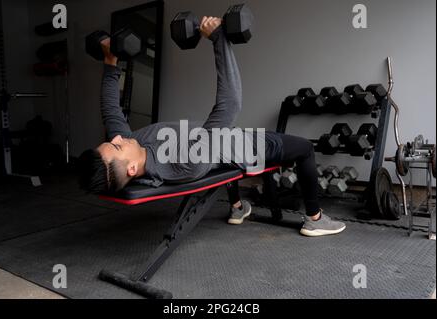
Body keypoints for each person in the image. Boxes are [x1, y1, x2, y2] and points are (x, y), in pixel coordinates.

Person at [78, 17, 346, 237]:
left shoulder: (130, 146)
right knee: (303, 149)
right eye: (115, 145)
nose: (117, 137)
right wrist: (220, 39)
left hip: (221, 143)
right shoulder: (184, 162)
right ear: (132, 169)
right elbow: (230, 105)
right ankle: (315, 218)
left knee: (215, 142)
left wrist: (110, 60)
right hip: (246, 147)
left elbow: (110, 109)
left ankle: (238, 207)